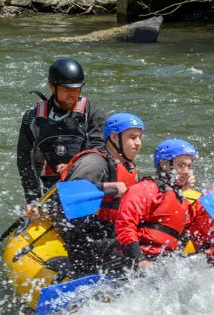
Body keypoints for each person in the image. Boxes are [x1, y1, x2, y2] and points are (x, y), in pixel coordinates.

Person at [50, 113, 144, 275]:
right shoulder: (95, 162)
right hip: (84, 239)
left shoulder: (127, 166)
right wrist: (106, 187)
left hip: (108, 232)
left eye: (140, 137)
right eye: (132, 137)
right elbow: (65, 197)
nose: (138, 143)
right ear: (114, 137)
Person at [16, 57, 106, 206]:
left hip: (87, 183)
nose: (72, 95)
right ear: (52, 87)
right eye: (66, 89)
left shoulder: (93, 113)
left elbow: (99, 152)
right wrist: (33, 202)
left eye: (76, 89)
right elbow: (25, 160)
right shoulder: (34, 117)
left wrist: (73, 168)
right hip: (53, 186)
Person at [115, 139, 198, 269]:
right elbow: (125, 225)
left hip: (164, 261)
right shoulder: (145, 189)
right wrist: (140, 259)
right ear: (164, 164)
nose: (187, 171)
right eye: (181, 165)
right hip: (135, 260)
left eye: (189, 166)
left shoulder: (182, 200)